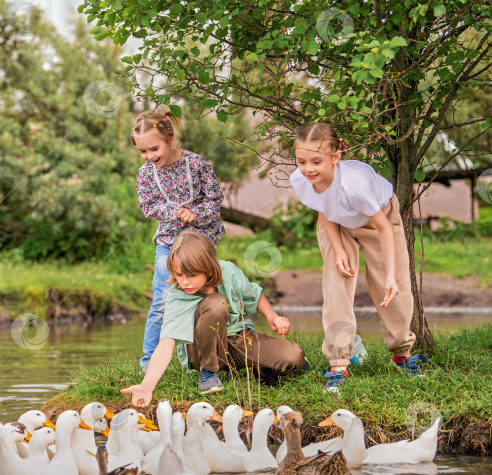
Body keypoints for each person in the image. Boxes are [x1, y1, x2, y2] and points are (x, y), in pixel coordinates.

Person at [289, 121, 429, 393]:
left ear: (336, 157)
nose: (308, 169)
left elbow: (385, 228)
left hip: (378, 220)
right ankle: (338, 363)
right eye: (301, 161)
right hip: (337, 222)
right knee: (336, 283)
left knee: (392, 286)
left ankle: (401, 353)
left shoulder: (354, 185)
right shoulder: (301, 180)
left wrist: (389, 275)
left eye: (316, 161)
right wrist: (339, 250)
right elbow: (324, 208)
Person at [121, 230, 309, 408]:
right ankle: (208, 372)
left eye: (191, 275)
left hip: (236, 340)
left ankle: (262, 368)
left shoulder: (228, 271)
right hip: (200, 352)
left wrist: (272, 316)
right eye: (179, 274)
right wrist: (147, 385)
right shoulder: (177, 296)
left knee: (295, 357)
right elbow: (165, 345)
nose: (184, 281)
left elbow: (254, 294)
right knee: (216, 303)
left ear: (209, 269)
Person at [131, 109, 225, 372]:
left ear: (170, 140)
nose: (149, 156)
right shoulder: (146, 174)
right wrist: (174, 212)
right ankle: (149, 362)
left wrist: (195, 214)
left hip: (201, 244)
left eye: (154, 149)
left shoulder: (197, 164)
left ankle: (208, 360)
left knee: (208, 299)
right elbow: (148, 205)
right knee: (161, 302)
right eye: (143, 152)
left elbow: (215, 199)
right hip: (168, 244)